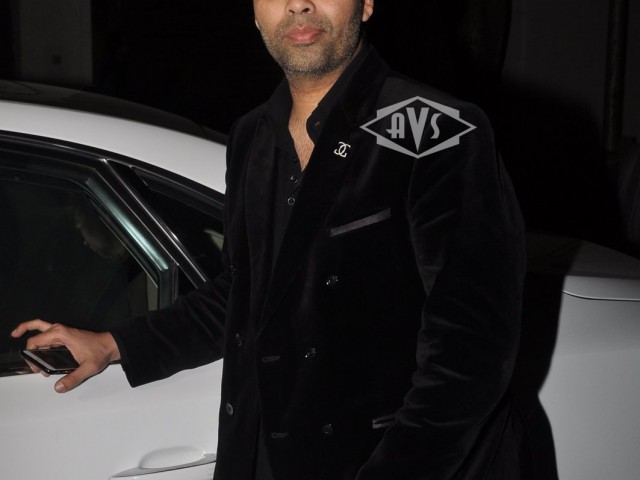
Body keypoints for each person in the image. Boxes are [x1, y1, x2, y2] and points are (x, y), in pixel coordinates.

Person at [12, 1, 532, 478]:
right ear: (255, 12)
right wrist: (113, 345)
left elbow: (470, 355)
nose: (298, 4)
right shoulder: (252, 135)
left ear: (367, 3)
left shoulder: (429, 129)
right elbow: (242, 293)